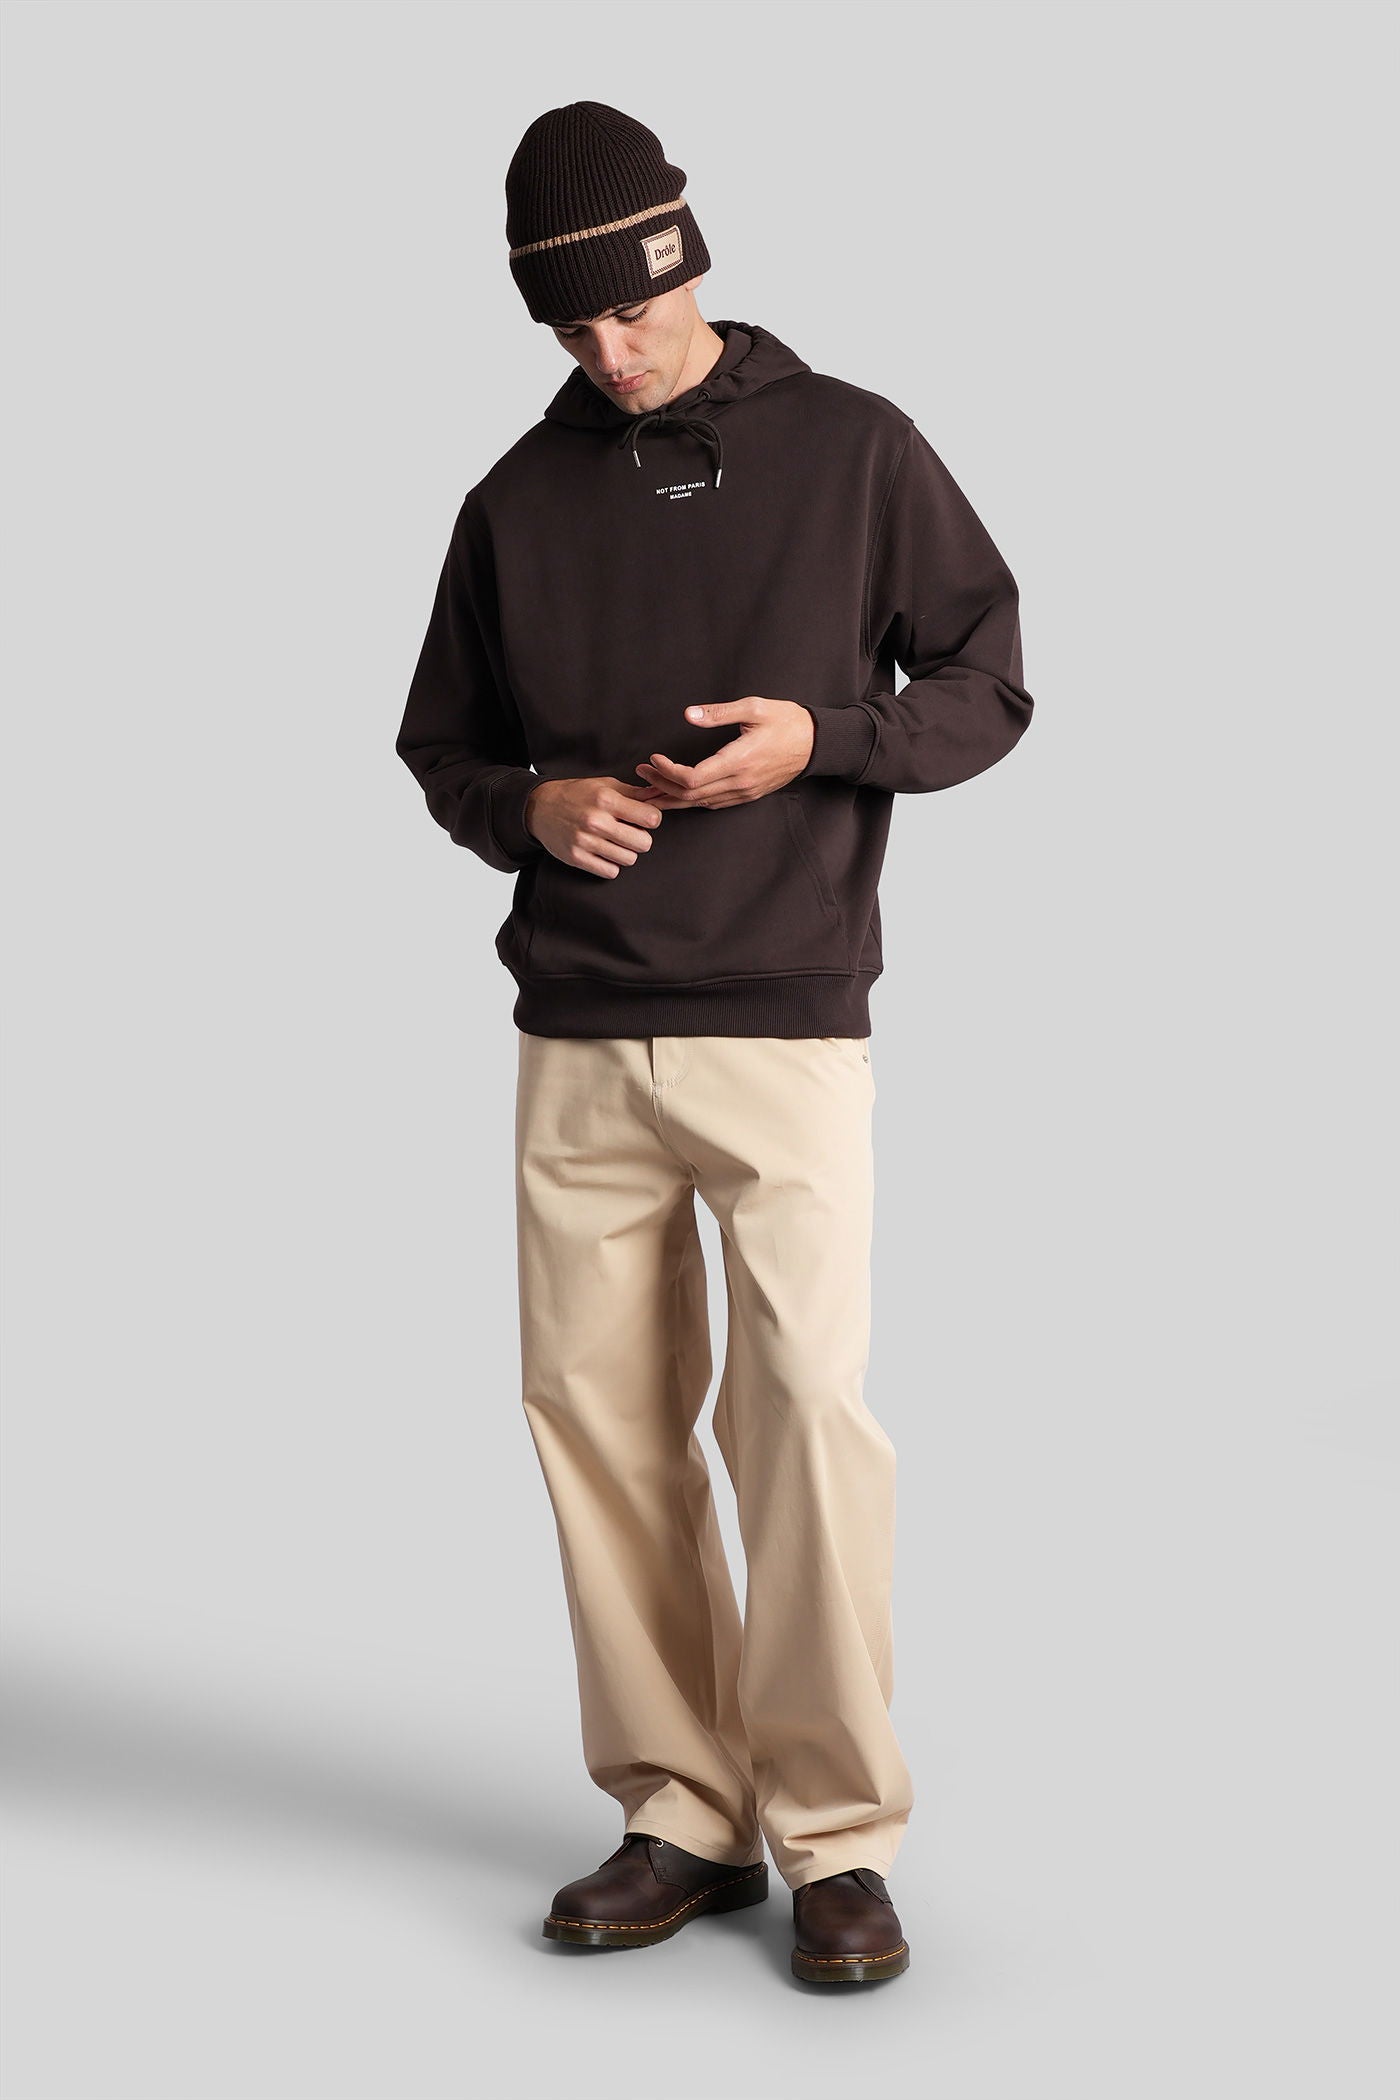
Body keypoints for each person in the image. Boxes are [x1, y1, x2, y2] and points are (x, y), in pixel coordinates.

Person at [395, 99, 1034, 1988]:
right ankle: (681, 1810)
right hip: (578, 1029)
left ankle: (838, 1833)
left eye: (633, 310)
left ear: (690, 259)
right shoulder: (513, 498)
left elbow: (989, 679)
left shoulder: (854, 446)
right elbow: (442, 747)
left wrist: (824, 740)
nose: (609, 352)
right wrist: (530, 807)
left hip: (783, 1014)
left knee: (804, 1420)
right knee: (597, 1425)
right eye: (570, 325)